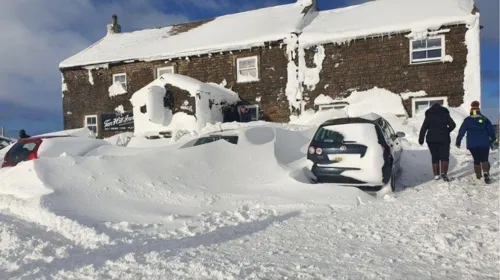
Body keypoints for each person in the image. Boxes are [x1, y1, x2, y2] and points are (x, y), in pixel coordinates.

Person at [456, 101, 497, 184]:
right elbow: (491, 131)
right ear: (479, 109)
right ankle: (486, 172)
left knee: (476, 159)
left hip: (472, 144)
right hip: (484, 143)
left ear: (471, 109)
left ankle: (478, 175)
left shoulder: (467, 120)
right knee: (485, 158)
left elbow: (461, 131)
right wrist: (493, 139)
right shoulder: (485, 119)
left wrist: (458, 141)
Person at [418, 103, 456, 181]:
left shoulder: (429, 116)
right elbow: (453, 125)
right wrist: (447, 131)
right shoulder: (445, 115)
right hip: (444, 138)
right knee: (444, 157)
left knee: (435, 156)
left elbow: (423, 128)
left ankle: (436, 174)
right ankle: (444, 173)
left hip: (431, 139)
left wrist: (421, 140)